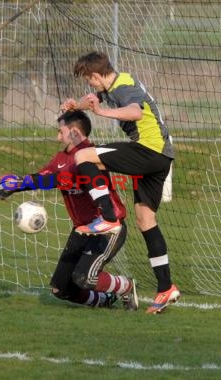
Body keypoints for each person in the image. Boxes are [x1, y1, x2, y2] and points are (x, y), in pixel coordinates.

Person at [60, 51, 180, 314]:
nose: (89, 85)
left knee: (83, 155)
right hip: (162, 156)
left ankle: (108, 214)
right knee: (145, 220)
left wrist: (101, 111)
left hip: (149, 150)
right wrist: (76, 106)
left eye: (88, 80)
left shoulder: (123, 88)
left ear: (95, 75)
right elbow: (93, 99)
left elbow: (135, 112)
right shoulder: (115, 84)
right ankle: (166, 287)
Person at [0, 110, 138, 310]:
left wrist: (35, 182)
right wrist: (15, 185)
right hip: (81, 229)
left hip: (107, 228)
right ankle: (105, 301)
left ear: (75, 132)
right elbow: (43, 177)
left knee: (85, 277)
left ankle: (127, 287)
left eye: (61, 131)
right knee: (61, 290)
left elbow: (63, 179)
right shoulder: (61, 158)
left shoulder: (92, 156)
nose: (57, 136)